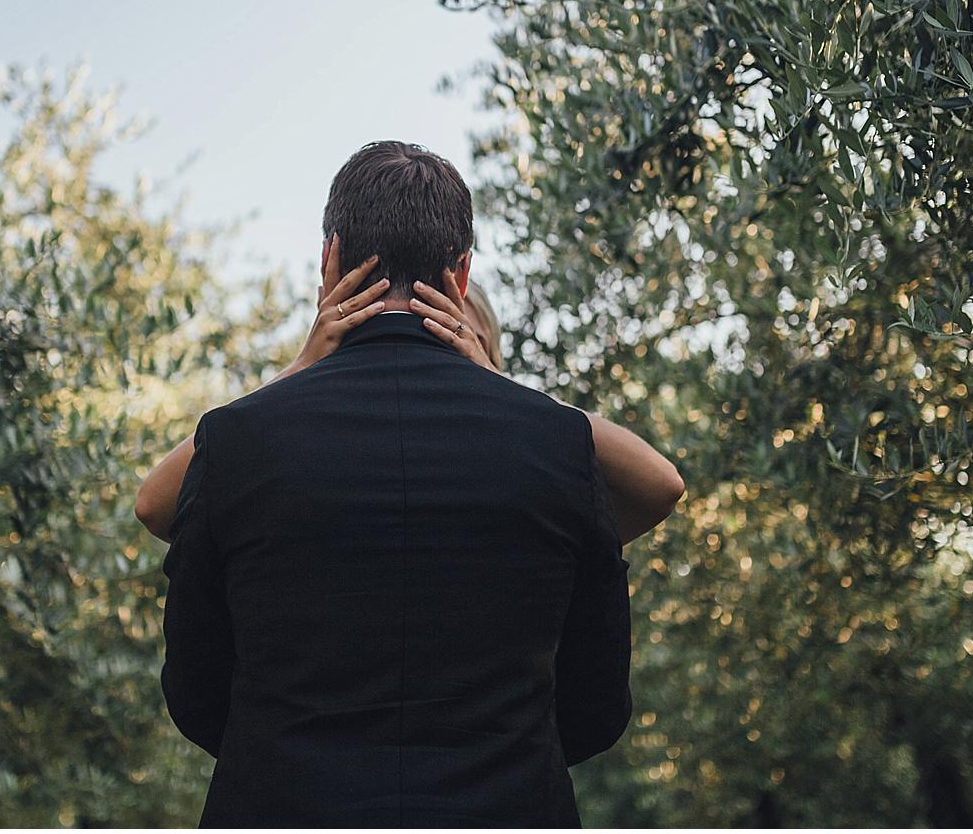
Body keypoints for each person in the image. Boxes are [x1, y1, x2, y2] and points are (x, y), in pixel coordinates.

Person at [152, 140, 673, 827]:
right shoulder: (555, 445)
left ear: (328, 259)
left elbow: (193, 686)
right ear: (462, 274)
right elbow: (598, 699)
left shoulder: (239, 441)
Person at [135, 269, 685, 547]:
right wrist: (300, 370)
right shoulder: (320, 458)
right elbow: (156, 505)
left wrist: (503, 391)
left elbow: (659, 485)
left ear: (486, 345)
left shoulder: (536, 464)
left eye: (450, 338)